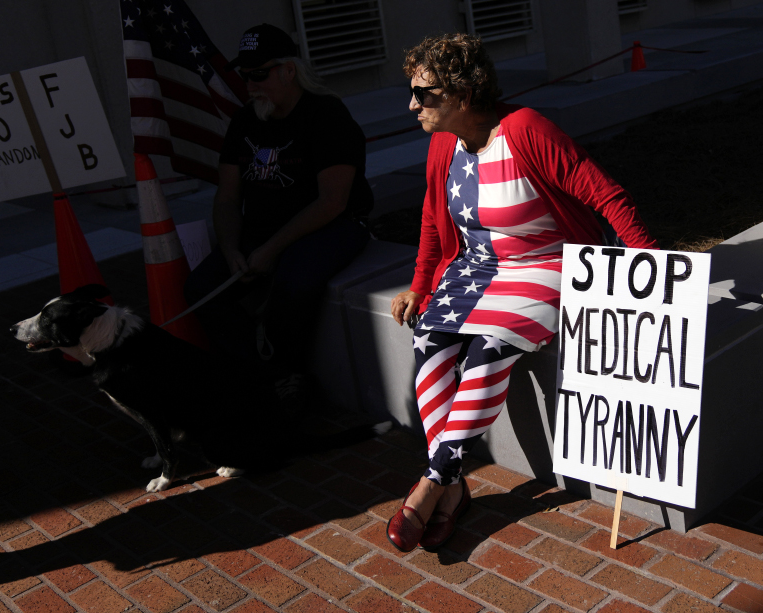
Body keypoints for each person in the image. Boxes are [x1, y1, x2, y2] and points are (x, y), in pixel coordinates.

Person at [386, 33, 658, 553]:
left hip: (544, 264)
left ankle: (430, 483)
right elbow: (430, 218)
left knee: (490, 348)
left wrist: (653, 267)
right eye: (413, 92)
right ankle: (453, 487)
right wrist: (422, 285)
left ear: (463, 96)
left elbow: (605, 192)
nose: (413, 104)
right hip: (475, 269)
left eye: (426, 94)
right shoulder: (443, 143)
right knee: (429, 343)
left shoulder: (526, 130)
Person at [183, 23, 373, 408]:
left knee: (293, 284)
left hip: (331, 225)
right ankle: (257, 374)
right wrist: (232, 246)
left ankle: (291, 376)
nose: (250, 85)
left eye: (259, 74)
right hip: (262, 230)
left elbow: (332, 201)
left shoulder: (326, 114)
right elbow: (227, 197)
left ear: (289, 71)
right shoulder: (245, 120)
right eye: (244, 75)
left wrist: (270, 249)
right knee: (201, 289)